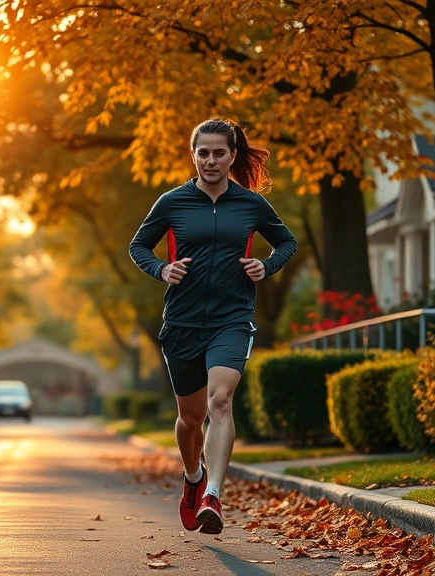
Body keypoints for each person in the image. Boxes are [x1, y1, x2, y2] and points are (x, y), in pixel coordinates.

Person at [128, 118, 297, 534]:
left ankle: (214, 494)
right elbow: (137, 246)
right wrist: (161, 269)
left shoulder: (251, 205)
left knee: (221, 402)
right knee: (191, 417)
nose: (211, 160)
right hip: (182, 322)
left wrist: (267, 264)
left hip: (232, 318)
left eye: (219, 152)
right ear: (194, 155)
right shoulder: (172, 202)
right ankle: (193, 478)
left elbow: (287, 241)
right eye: (203, 152)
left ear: (232, 155)